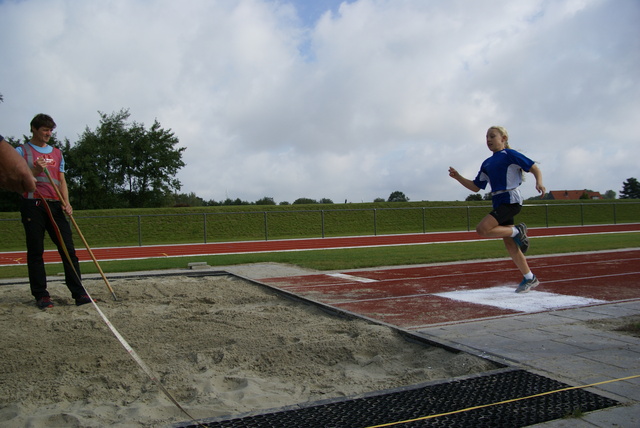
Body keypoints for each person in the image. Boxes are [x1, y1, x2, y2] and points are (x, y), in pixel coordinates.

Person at [449, 126, 546, 293]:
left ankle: (517, 230)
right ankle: (530, 278)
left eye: (492, 136)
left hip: (510, 199)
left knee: (483, 229)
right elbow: (475, 187)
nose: (488, 140)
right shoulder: (487, 163)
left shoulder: (510, 155)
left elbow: (533, 167)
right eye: (486, 137)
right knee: (509, 243)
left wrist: (539, 182)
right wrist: (458, 177)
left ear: (504, 138)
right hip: (497, 201)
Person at [16, 113, 92, 308]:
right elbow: (19, 180)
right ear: (34, 128)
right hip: (33, 205)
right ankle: (41, 295)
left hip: (56, 205)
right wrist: (35, 170)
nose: (48, 133)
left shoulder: (57, 153)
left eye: (50, 130)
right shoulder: (21, 151)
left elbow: (62, 180)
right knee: (36, 251)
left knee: (68, 249)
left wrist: (66, 202)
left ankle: (79, 292)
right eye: (44, 130)